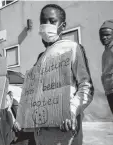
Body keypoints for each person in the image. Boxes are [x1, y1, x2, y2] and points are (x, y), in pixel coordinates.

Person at [32, 4, 94, 145]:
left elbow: (86, 87)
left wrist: (71, 110)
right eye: (43, 21)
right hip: (41, 130)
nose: (46, 25)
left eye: (52, 21)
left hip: (64, 131)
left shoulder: (72, 49)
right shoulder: (40, 57)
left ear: (63, 25)